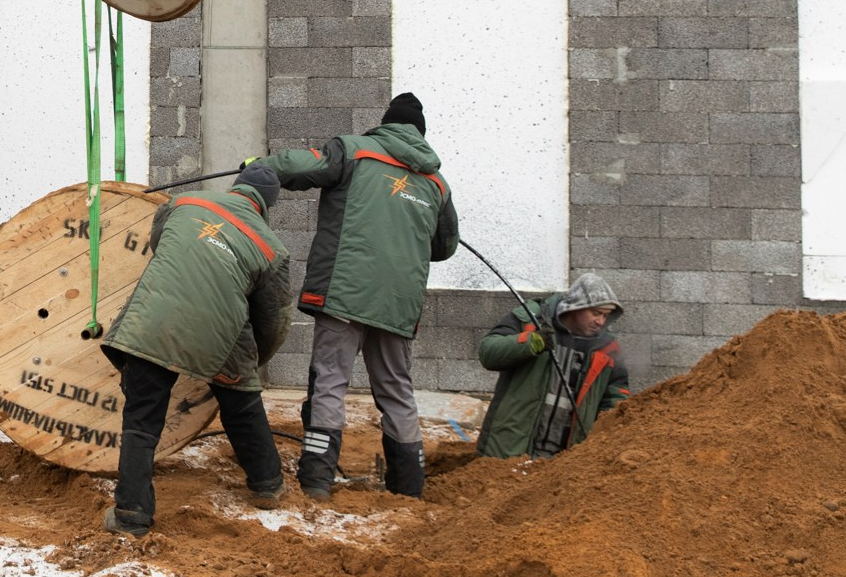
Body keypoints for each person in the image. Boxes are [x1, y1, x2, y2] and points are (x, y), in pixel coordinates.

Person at [254, 91, 459, 500]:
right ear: (420, 135)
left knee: (330, 382)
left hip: (345, 294)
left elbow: (298, 166)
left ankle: (316, 481)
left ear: (386, 123)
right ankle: (408, 487)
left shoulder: (355, 152)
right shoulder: (437, 184)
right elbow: (444, 247)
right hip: (398, 306)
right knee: (397, 390)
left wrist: (260, 168)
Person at [99, 163, 296, 536]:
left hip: (154, 318)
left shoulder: (183, 202)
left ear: (236, 187)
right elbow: (272, 321)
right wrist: (255, 363)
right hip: (223, 328)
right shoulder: (272, 249)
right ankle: (267, 485)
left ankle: (131, 516)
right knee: (242, 402)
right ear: (266, 207)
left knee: (141, 421)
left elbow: (162, 245)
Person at [476, 272, 631, 458]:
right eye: (596, 313)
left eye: (606, 316)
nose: (601, 321)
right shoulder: (532, 319)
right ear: (575, 307)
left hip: (564, 464)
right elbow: (489, 352)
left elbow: (615, 399)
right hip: (509, 451)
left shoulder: (607, 350)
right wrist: (531, 342)